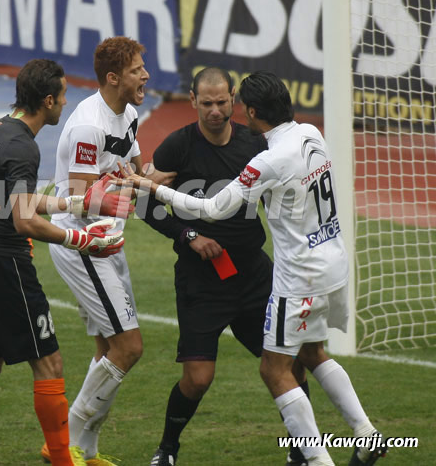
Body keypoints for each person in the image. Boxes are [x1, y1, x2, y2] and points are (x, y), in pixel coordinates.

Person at [119, 71, 386, 466]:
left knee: (274, 369)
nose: (221, 111)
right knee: (312, 353)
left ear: (249, 109)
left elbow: (211, 208)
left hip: (297, 276)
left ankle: (316, 460)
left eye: (230, 103)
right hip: (332, 262)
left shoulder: (265, 158)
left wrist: (153, 187)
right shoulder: (312, 133)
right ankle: (367, 434)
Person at [0, 59, 132, 466]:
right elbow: (24, 220)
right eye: (63, 97)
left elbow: (15, 202)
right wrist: (81, 238)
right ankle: (64, 461)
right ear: (47, 100)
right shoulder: (23, 147)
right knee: (49, 363)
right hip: (7, 264)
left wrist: (76, 202)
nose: (66, 104)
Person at [144, 67, 307, 466]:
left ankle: (303, 449)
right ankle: (167, 449)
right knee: (198, 379)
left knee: (289, 365)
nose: (215, 111)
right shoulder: (177, 147)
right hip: (203, 281)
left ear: (234, 99)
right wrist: (190, 237)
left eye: (222, 102)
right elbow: (146, 204)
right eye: (207, 103)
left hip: (254, 273)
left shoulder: (256, 143)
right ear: (194, 101)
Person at [45, 36, 157, 466]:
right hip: (83, 243)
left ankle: (85, 450)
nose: (145, 75)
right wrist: (121, 190)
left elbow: (133, 167)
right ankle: (64, 444)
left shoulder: (127, 113)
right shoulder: (89, 126)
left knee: (107, 348)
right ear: (113, 78)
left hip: (108, 240)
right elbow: (78, 196)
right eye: (136, 70)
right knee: (128, 347)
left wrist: (147, 179)